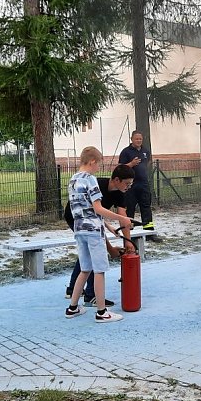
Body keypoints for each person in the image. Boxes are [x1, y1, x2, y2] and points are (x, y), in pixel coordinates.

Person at [66, 147, 132, 323]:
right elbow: (97, 208)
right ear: (92, 161)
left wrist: (108, 225)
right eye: (99, 163)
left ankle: (72, 307)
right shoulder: (91, 179)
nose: (99, 168)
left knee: (85, 269)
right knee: (99, 270)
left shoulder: (73, 180)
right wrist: (122, 219)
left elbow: (84, 210)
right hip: (93, 232)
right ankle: (102, 312)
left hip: (79, 229)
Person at [119, 131, 155, 232]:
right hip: (130, 185)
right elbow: (120, 168)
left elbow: (147, 163)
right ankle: (130, 232)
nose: (138, 141)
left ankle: (149, 232)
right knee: (129, 208)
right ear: (131, 139)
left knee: (146, 207)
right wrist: (131, 164)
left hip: (143, 184)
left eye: (140, 139)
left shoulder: (146, 151)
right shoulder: (126, 152)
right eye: (136, 139)